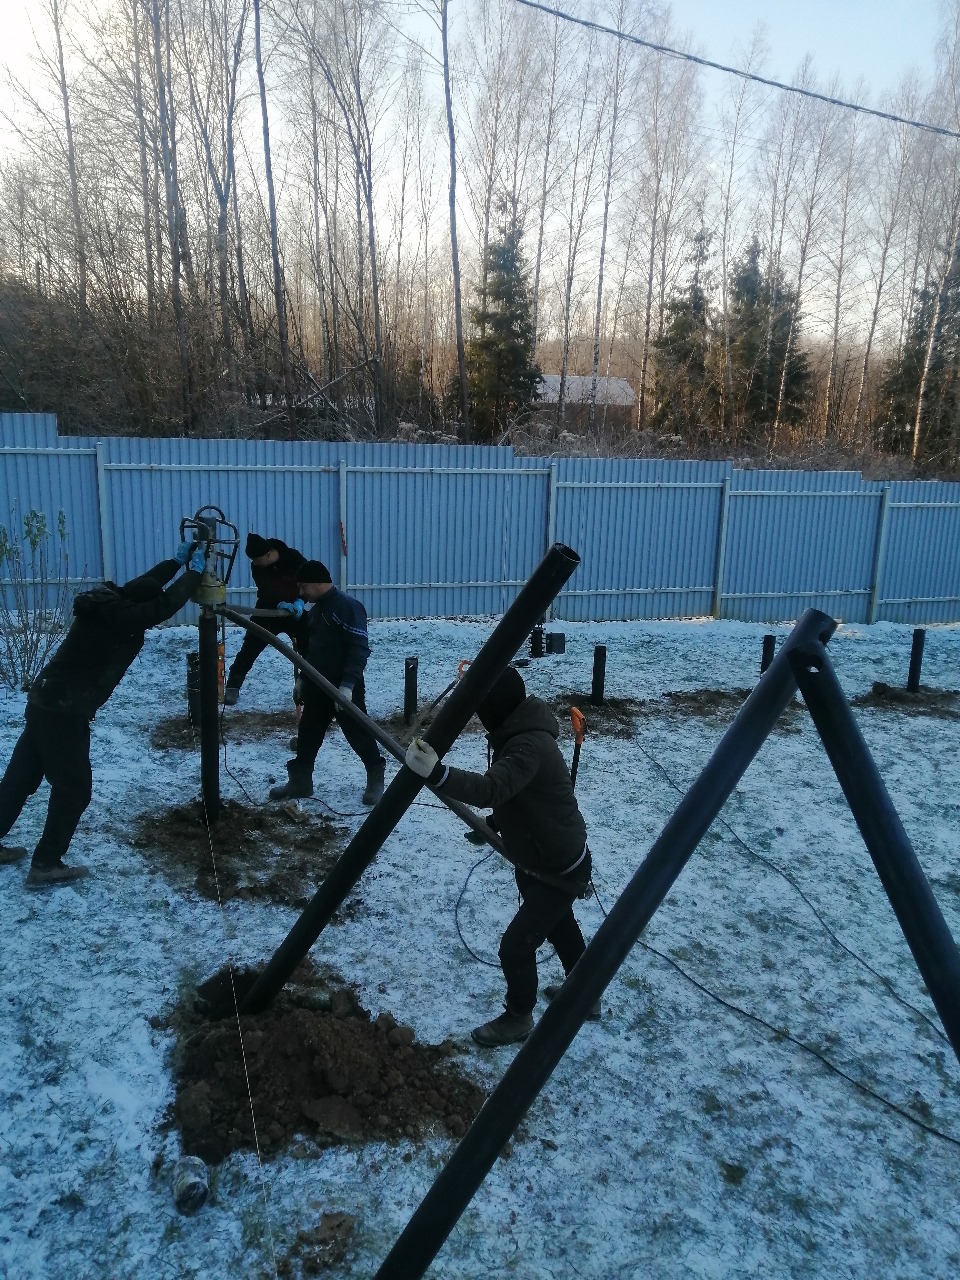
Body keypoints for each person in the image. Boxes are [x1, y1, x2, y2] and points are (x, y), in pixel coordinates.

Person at [404, 667, 596, 1047]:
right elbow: (521, 798)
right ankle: (586, 994)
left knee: (516, 947)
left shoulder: (528, 746)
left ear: (496, 708)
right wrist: (494, 825)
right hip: (543, 857)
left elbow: (492, 789)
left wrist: (437, 774)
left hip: (557, 867)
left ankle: (518, 1018)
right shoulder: (517, 735)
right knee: (559, 926)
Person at [0, 541, 208, 887]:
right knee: (74, 788)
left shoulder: (111, 600)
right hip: (65, 709)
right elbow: (162, 606)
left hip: (44, 699)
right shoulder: (123, 618)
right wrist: (194, 575)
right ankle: (46, 864)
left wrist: (175, 562)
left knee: (21, 778)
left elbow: (144, 585)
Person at [268, 560, 386, 807]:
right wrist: (303, 680)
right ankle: (300, 782)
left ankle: (375, 777)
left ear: (318, 583)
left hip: (343, 686)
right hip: (317, 685)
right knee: (308, 732)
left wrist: (348, 686)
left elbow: (359, 649)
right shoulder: (317, 611)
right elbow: (313, 651)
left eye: (303, 586)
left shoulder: (347, 607)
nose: (301, 592)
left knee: (358, 732)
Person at [223, 533, 308, 705]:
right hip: (268, 610)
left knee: (310, 646)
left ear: (269, 554)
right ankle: (233, 685)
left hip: (294, 611)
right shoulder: (257, 567)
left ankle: (310, 684)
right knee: (250, 648)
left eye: (257, 559)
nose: (254, 563)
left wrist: (301, 600)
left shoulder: (294, 558)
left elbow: (309, 581)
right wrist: (278, 603)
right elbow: (266, 589)